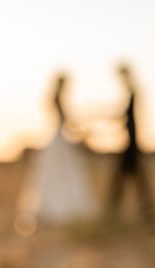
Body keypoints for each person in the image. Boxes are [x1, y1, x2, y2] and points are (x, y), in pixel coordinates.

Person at [16, 73, 98, 234]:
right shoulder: (59, 99)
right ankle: (60, 207)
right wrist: (84, 131)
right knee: (62, 173)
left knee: (55, 174)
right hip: (60, 139)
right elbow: (68, 122)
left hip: (57, 139)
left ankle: (52, 206)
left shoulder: (53, 98)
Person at [107, 63, 155, 220]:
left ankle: (116, 208)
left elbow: (127, 119)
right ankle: (145, 209)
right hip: (130, 143)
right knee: (133, 178)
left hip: (131, 144)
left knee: (126, 178)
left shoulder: (133, 92)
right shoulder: (132, 92)